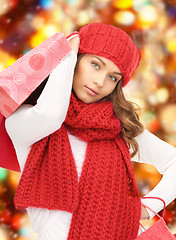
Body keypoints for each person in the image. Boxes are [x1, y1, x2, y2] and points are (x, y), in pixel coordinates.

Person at [5, 23, 176, 240]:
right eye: (96, 65)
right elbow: (50, 114)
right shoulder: (24, 120)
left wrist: (149, 207)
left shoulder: (118, 128)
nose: (100, 81)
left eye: (113, 77)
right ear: (76, 59)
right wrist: (65, 54)